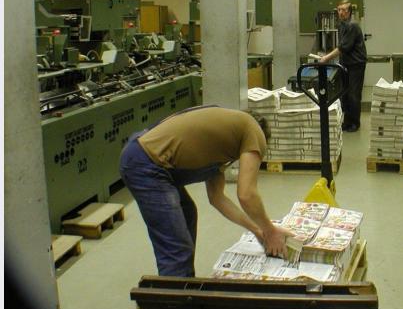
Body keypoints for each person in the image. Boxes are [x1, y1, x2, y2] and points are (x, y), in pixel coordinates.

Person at [119, 105, 290, 277]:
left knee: (187, 215)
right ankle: (175, 300)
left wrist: (257, 230)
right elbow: (247, 195)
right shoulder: (253, 130)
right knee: (177, 248)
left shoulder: (222, 141)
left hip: (146, 158)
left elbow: (217, 199)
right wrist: (270, 230)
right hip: (146, 164)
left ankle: (181, 285)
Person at [319, 0, 367, 132]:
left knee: (353, 94)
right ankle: (347, 121)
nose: (341, 12)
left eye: (344, 10)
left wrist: (326, 58)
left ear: (350, 12)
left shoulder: (352, 26)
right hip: (346, 64)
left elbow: (342, 47)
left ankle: (355, 123)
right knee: (344, 94)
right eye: (339, 10)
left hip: (356, 65)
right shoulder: (342, 25)